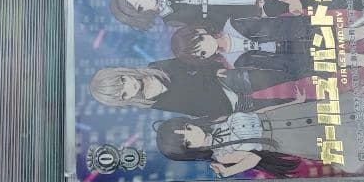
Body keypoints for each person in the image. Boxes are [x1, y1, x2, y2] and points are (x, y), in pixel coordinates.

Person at [153, 100, 364, 177]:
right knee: (330, 135)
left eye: (187, 128)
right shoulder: (221, 154)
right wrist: (227, 171)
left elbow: (257, 113)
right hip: (283, 139)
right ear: (190, 150)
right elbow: (253, 159)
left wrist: (292, 103)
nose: (193, 133)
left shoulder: (218, 120)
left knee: (328, 111)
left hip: (280, 116)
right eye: (188, 141)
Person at [109, 0, 364, 32]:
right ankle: (355, 1)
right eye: (139, 4)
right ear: (140, 14)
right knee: (302, 6)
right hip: (243, 11)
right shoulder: (171, 22)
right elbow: (212, 24)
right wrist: (253, 12)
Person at [170, 19, 364, 75]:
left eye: (200, 43)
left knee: (350, 34)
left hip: (298, 33)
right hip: (295, 57)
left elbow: (273, 22)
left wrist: (302, 25)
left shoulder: (233, 23)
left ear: (200, 32)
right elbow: (272, 66)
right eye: (201, 54)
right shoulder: (234, 62)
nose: (206, 49)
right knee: (352, 59)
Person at [89, 60, 308, 118]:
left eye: (123, 80)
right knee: (288, 107)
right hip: (229, 105)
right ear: (125, 100)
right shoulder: (153, 104)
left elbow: (188, 63)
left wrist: (213, 70)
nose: (131, 86)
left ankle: (314, 68)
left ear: (124, 72)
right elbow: (195, 107)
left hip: (225, 80)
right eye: (124, 93)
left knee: (284, 74)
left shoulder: (156, 67)